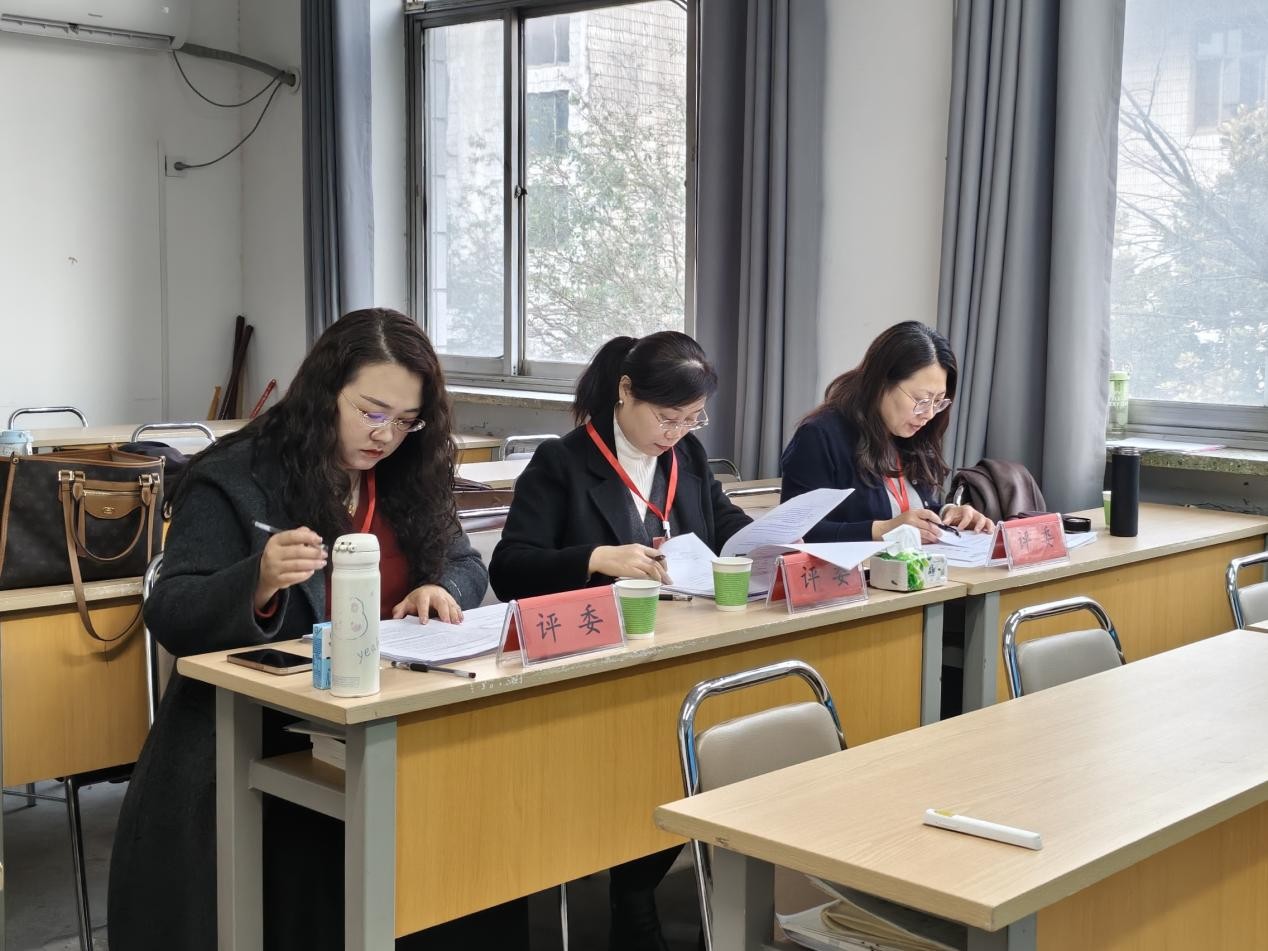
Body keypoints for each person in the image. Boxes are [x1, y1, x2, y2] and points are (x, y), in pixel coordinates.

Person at [108, 308, 501, 951]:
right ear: (325, 391)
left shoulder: (410, 472)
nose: (385, 436)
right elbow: (172, 609)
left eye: (407, 420)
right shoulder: (239, 475)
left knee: (474, 841)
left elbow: (463, 563)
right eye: (371, 412)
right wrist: (257, 582)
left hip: (389, 719)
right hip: (262, 735)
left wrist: (441, 589)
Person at [489, 331, 751, 951]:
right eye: (667, 417)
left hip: (681, 652)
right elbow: (509, 568)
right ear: (626, 392)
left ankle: (641, 885)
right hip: (595, 668)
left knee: (714, 738)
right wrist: (595, 557)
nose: (676, 433)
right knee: (646, 756)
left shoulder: (687, 458)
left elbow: (727, 528)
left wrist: (769, 543)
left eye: (691, 419)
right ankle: (631, 891)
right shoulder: (562, 462)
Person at [781, 320, 993, 543]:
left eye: (938, 401)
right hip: (857, 566)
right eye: (921, 400)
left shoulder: (910, 435)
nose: (929, 414)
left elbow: (906, 510)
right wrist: (882, 530)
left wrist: (946, 514)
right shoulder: (820, 436)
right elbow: (797, 531)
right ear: (881, 383)